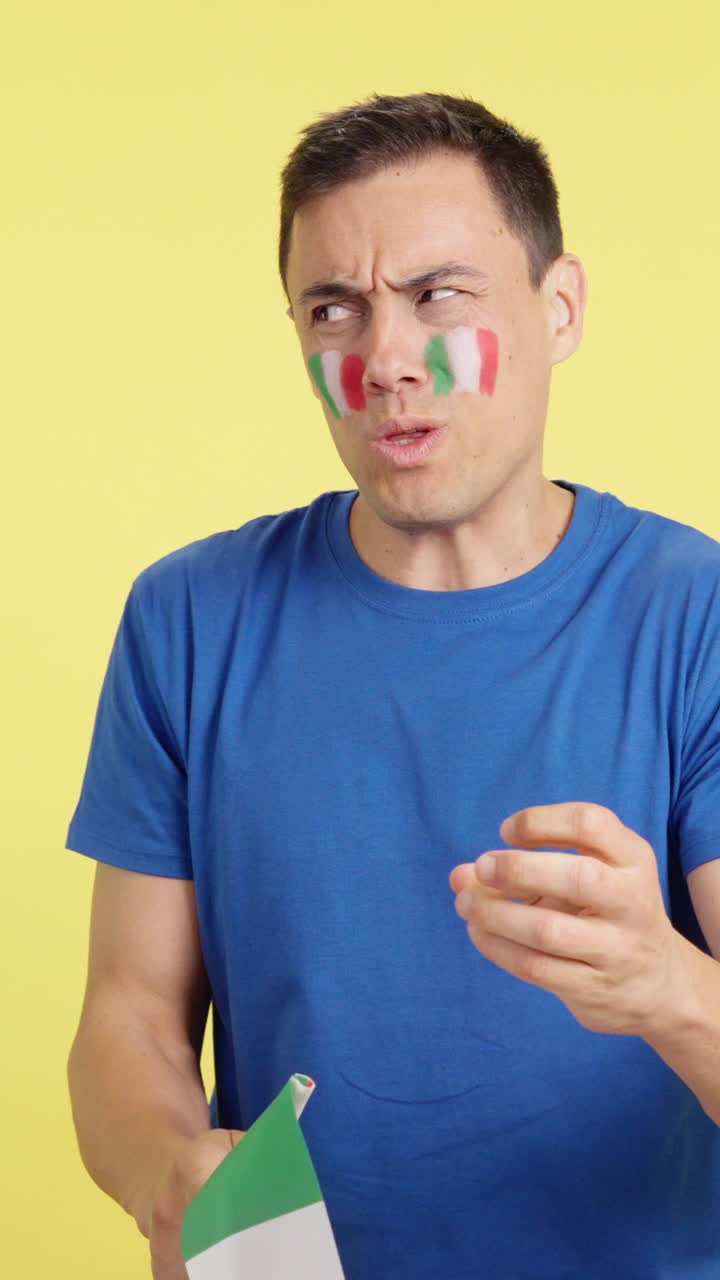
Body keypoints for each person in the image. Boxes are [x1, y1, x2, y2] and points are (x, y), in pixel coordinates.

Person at [66, 92, 720, 1280]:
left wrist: (668, 984)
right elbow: (127, 1014)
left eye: (439, 296)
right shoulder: (188, 618)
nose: (380, 362)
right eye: (335, 308)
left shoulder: (698, 616)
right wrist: (172, 1170)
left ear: (559, 308)